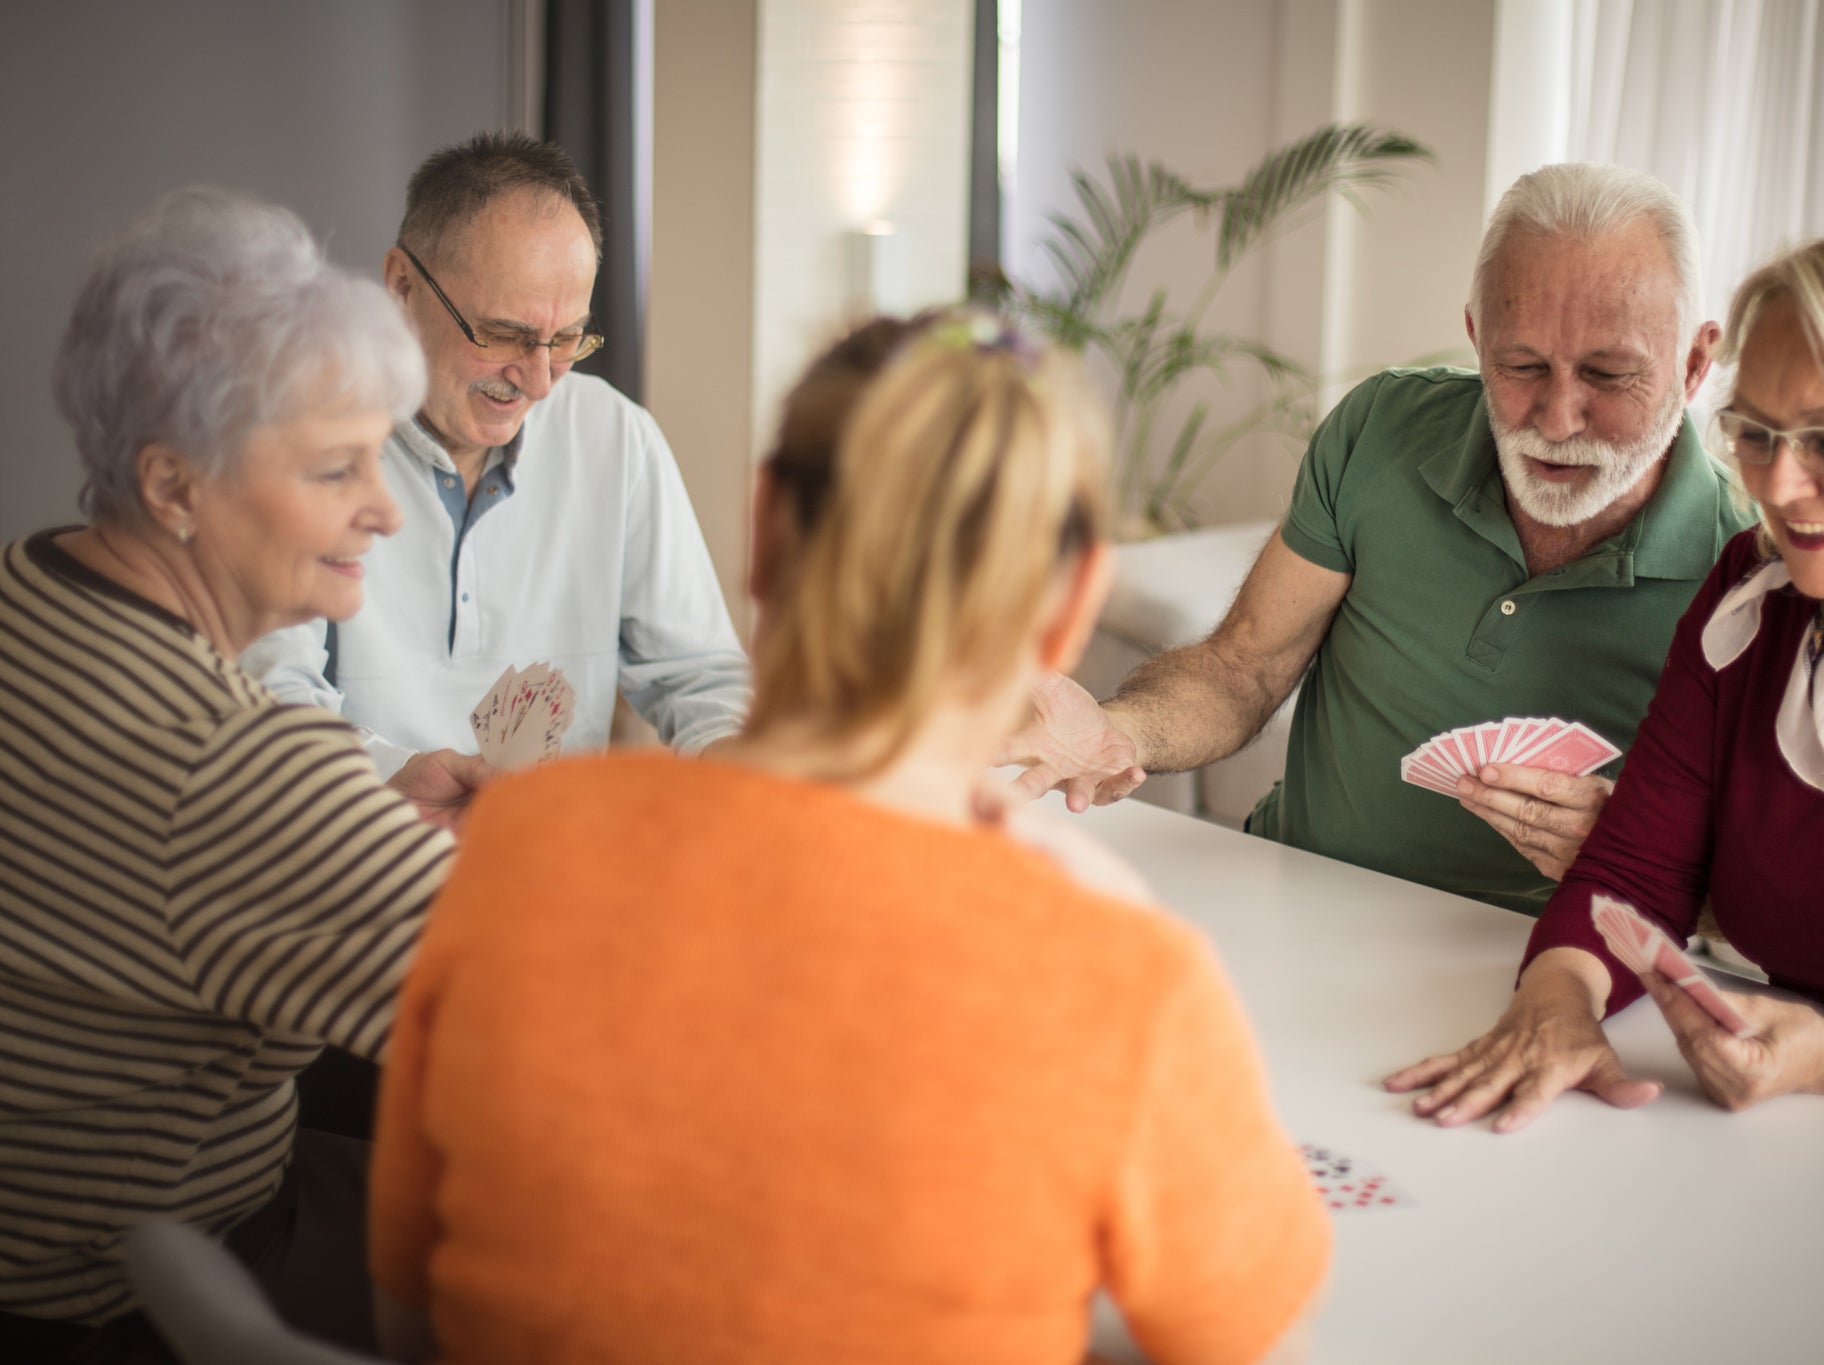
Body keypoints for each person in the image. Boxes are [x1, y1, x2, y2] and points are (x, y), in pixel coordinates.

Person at [367, 314, 1329, 1365]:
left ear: (765, 531)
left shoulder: (513, 851)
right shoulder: (1124, 978)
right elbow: (1248, 1332)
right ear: (1067, 615)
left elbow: (408, 1304)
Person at [1388, 223, 1824, 1131]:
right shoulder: (1753, 587)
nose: (1778, 484)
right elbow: (1633, 867)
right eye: (1756, 432)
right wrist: (1558, 1001)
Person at [1004, 163, 1755, 912]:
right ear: (1474, 334)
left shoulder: (1754, 565)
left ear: (1694, 363)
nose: (1556, 418)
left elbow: (1772, 888)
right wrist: (1118, 729)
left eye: (1609, 373)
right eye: (1520, 365)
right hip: (1291, 891)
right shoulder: (1381, 429)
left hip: (1537, 958)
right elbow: (1243, 666)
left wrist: (1647, 853)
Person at [0, 190, 453, 1361]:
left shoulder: (32, 576)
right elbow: (550, 1017)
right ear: (172, 486)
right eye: (331, 470)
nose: (385, 510)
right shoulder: (235, 761)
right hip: (145, 1290)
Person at [243, 130, 748, 807]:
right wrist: (390, 772)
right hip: (353, 858)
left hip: (543, 871)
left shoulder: (615, 437)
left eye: (567, 338)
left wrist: (742, 766)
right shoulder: (299, 438)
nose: (539, 381)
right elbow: (263, 700)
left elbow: (702, 677)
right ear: (400, 286)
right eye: (504, 334)